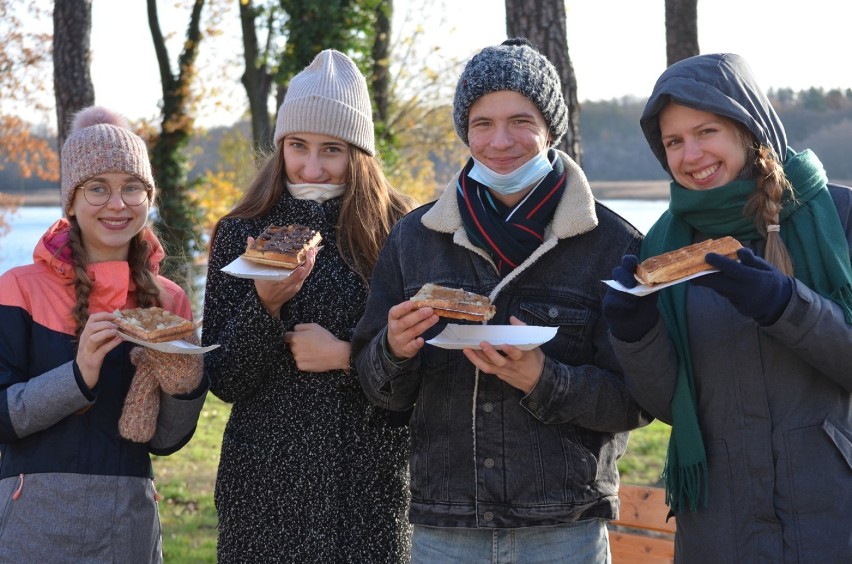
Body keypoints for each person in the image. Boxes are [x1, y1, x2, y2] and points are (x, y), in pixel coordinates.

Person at [352, 38, 651, 563]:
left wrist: (545, 380)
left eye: (520, 120)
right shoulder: (414, 238)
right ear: (464, 131)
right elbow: (379, 393)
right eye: (482, 123)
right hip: (445, 528)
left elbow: (638, 401)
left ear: (550, 128)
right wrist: (392, 351)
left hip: (563, 528)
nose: (500, 140)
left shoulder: (613, 244)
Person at [602, 53, 852, 563]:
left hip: (833, 520)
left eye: (706, 131)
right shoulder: (662, 247)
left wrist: (786, 305)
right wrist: (634, 333)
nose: (691, 155)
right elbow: (673, 407)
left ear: (747, 127)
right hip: (720, 531)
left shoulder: (838, 217)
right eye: (674, 142)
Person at [202, 49, 416, 562]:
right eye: (297, 146)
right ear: (280, 147)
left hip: (367, 484)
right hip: (263, 486)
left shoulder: (398, 230)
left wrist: (348, 357)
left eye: (332, 150)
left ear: (358, 152)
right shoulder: (240, 232)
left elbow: (425, 370)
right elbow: (224, 379)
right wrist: (264, 307)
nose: (312, 165)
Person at [0, 106, 208, 562]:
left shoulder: (169, 301)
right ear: (71, 201)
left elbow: (166, 441)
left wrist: (186, 382)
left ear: (148, 198)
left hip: (128, 528)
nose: (117, 204)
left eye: (132, 187)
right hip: (34, 527)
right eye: (98, 188)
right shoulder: (17, 288)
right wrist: (78, 376)